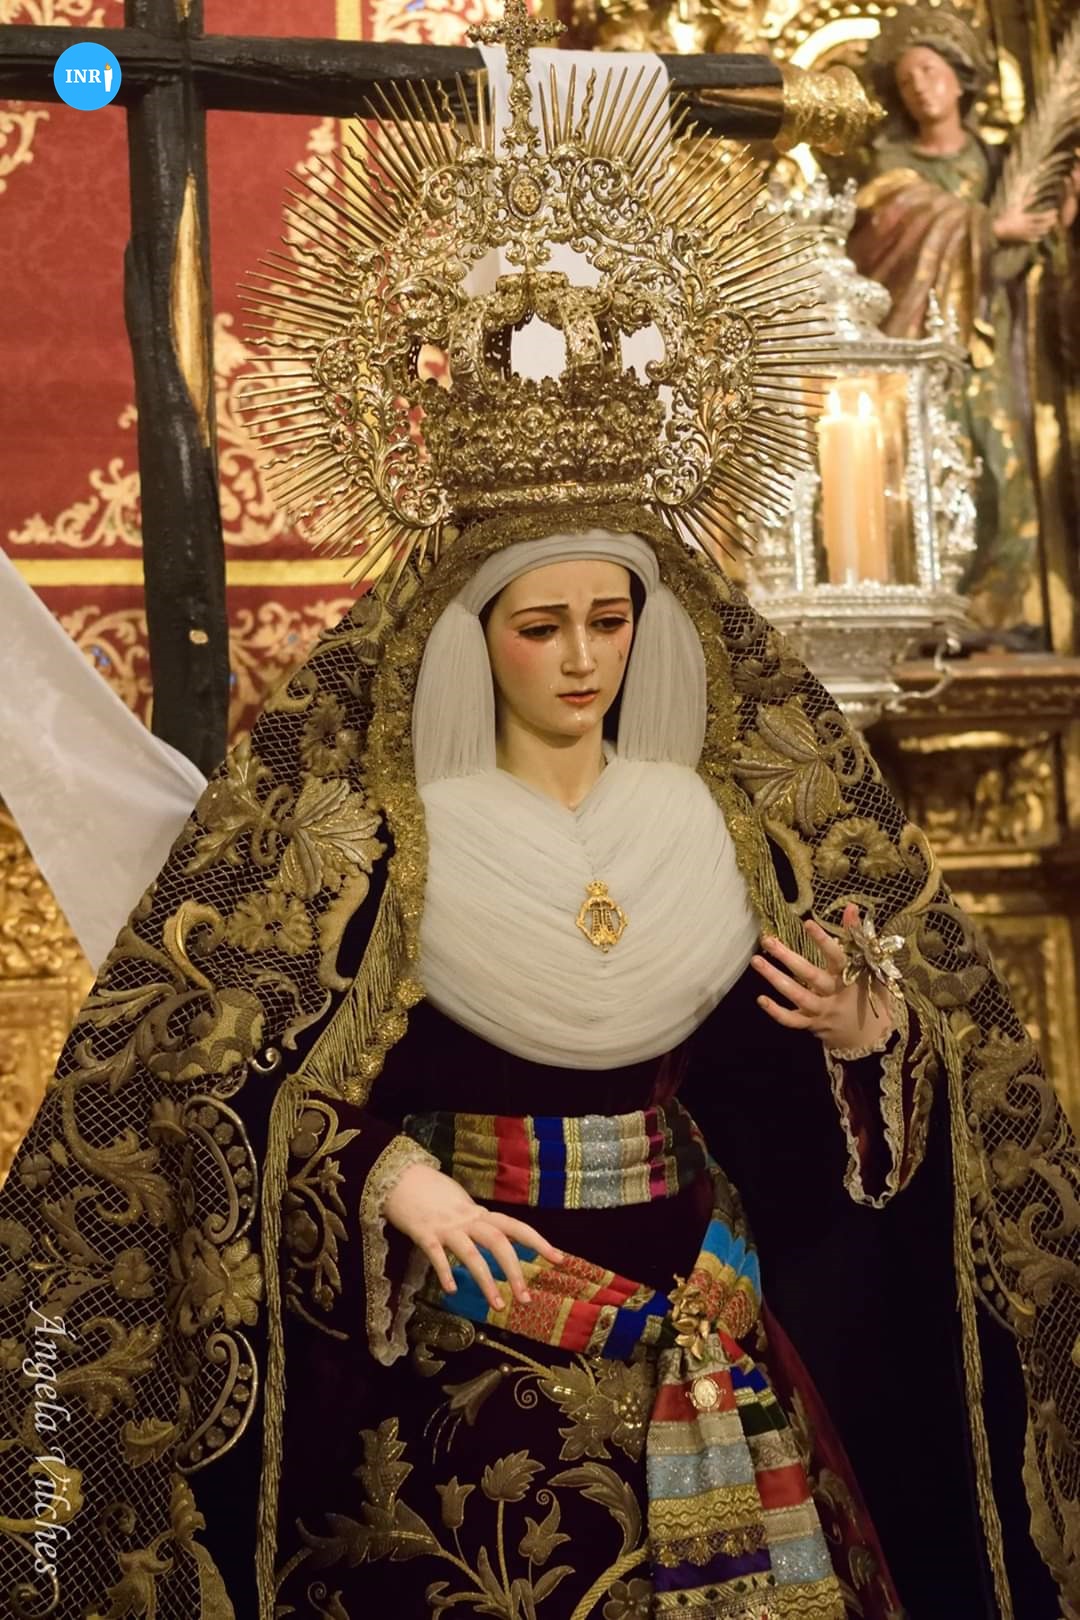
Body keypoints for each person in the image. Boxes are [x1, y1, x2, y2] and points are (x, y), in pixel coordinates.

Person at [1, 8, 1078, 1617]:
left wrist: (870, 1043)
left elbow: (787, 1116)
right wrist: (389, 1183)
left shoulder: (721, 819)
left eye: (610, 619)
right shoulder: (369, 834)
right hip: (463, 1353)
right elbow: (234, 1089)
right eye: (540, 626)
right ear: (471, 636)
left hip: (708, 1314)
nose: (582, 658)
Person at [847, 1, 1077, 635]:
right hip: (923, 351)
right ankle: (931, 614)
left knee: (1004, 476)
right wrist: (987, 226)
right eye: (906, 81)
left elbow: (1009, 267)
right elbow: (881, 242)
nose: (920, 87)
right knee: (930, 475)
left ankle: (993, 614)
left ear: (959, 76)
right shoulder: (893, 169)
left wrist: (1053, 225)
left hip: (989, 349)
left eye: (930, 71)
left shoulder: (994, 164)